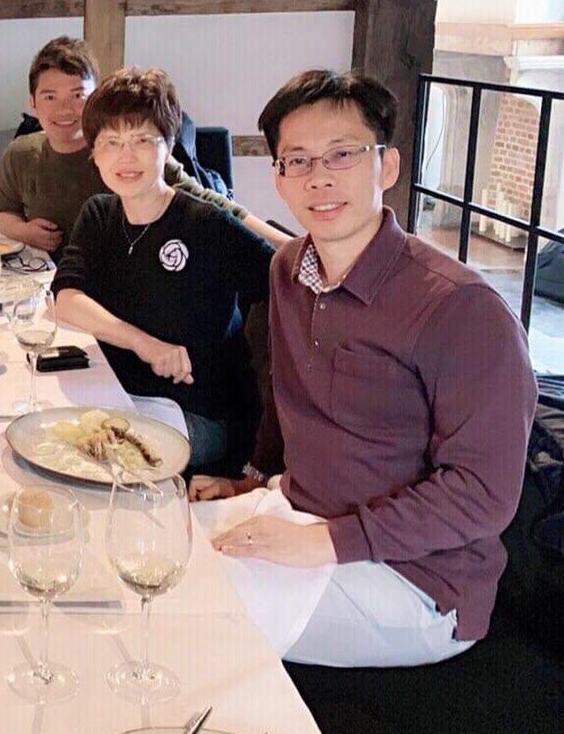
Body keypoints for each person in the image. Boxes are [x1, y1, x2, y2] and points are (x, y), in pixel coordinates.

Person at [192, 70, 536, 667]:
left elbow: (483, 495)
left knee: (189, 614)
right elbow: (284, 403)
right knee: (145, 542)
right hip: (298, 516)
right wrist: (251, 480)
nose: (319, 177)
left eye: (343, 154)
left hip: (416, 580)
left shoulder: (462, 308)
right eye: (298, 160)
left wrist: (325, 542)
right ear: (278, 177)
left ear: (387, 166)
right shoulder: (288, 270)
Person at [52, 68, 274, 468]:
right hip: (118, 395)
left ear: (169, 145)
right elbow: (66, 299)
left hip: (197, 413)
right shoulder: (99, 214)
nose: (126, 157)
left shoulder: (206, 224)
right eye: (112, 142)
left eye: (142, 140)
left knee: (94, 463)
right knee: (50, 444)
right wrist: (144, 343)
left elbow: (283, 283)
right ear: (94, 152)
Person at [0, 36, 288, 251]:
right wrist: (24, 232)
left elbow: (212, 204)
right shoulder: (21, 153)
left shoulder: (132, 152)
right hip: (47, 280)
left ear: (96, 98)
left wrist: (288, 245)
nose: (65, 109)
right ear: (32, 103)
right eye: (50, 97)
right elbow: (3, 211)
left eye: (78, 95)